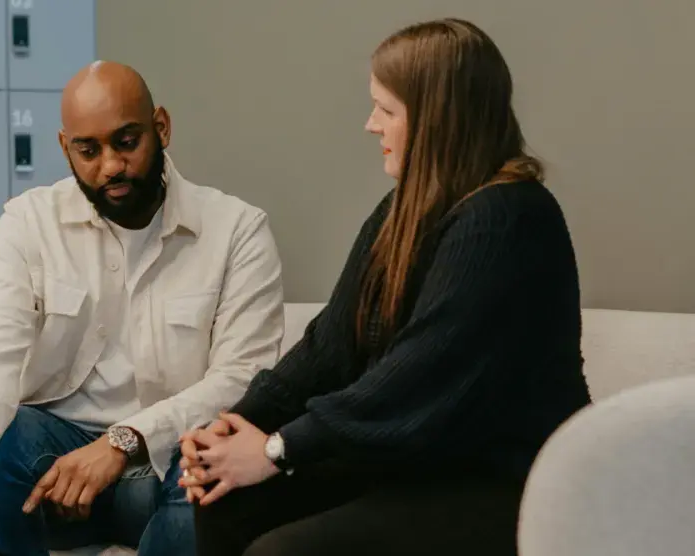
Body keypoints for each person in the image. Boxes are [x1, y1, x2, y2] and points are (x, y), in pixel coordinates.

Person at [178, 17, 592, 556]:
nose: (370, 125)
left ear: (439, 122)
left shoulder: (508, 218)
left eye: (387, 110)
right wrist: (236, 426)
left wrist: (278, 448)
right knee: (226, 502)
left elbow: (416, 376)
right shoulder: (405, 207)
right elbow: (329, 344)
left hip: (504, 482)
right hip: (415, 465)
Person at [0, 61, 285, 556]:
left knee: (213, 473)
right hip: (55, 467)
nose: (110, 166)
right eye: (88, 150)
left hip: (173, 462)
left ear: (160, 127)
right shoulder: (28, 224)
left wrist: (122, 443)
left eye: (127, 142)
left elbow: (241, 378)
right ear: (65, 148)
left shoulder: (237, 230)